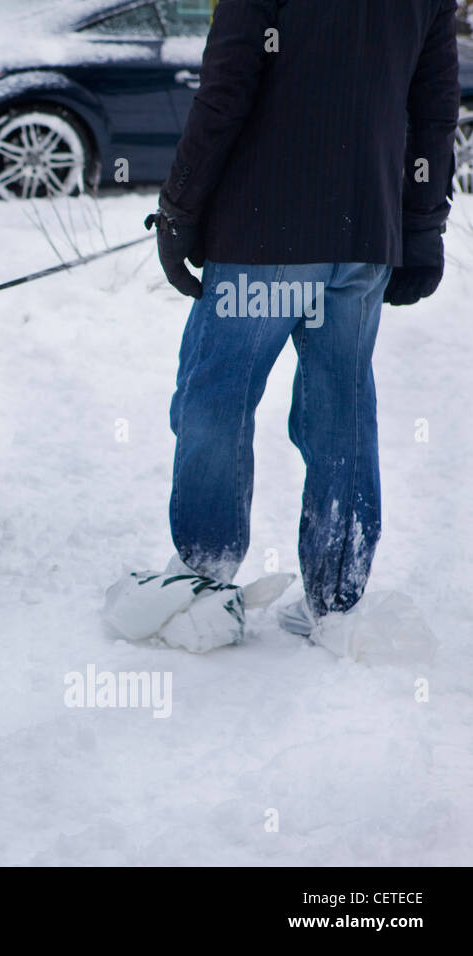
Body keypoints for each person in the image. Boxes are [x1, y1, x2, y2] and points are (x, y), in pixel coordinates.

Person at [142, 0, 460, 648]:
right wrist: (423, 224)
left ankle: (203, 579)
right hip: (365, 234)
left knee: (217, 394)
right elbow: (433, 112)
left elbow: (227, 87)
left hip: (266, 234)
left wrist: (178, 209)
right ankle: (337, 604)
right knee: (339, 404)